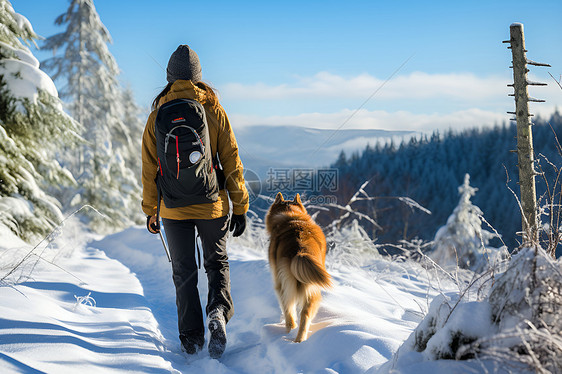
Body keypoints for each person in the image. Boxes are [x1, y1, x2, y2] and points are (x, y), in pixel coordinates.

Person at [141, 44, 249, 358]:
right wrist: (240, 206)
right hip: (212, 203)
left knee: (184, 271)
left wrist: (151, 210)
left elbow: (149, 167)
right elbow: (232, 160)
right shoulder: (213, 109)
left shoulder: (156, 115)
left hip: (172, 208)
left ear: (169, 77)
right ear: (198, 77)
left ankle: (190, 340)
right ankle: (217, 312)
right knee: (217, 263)